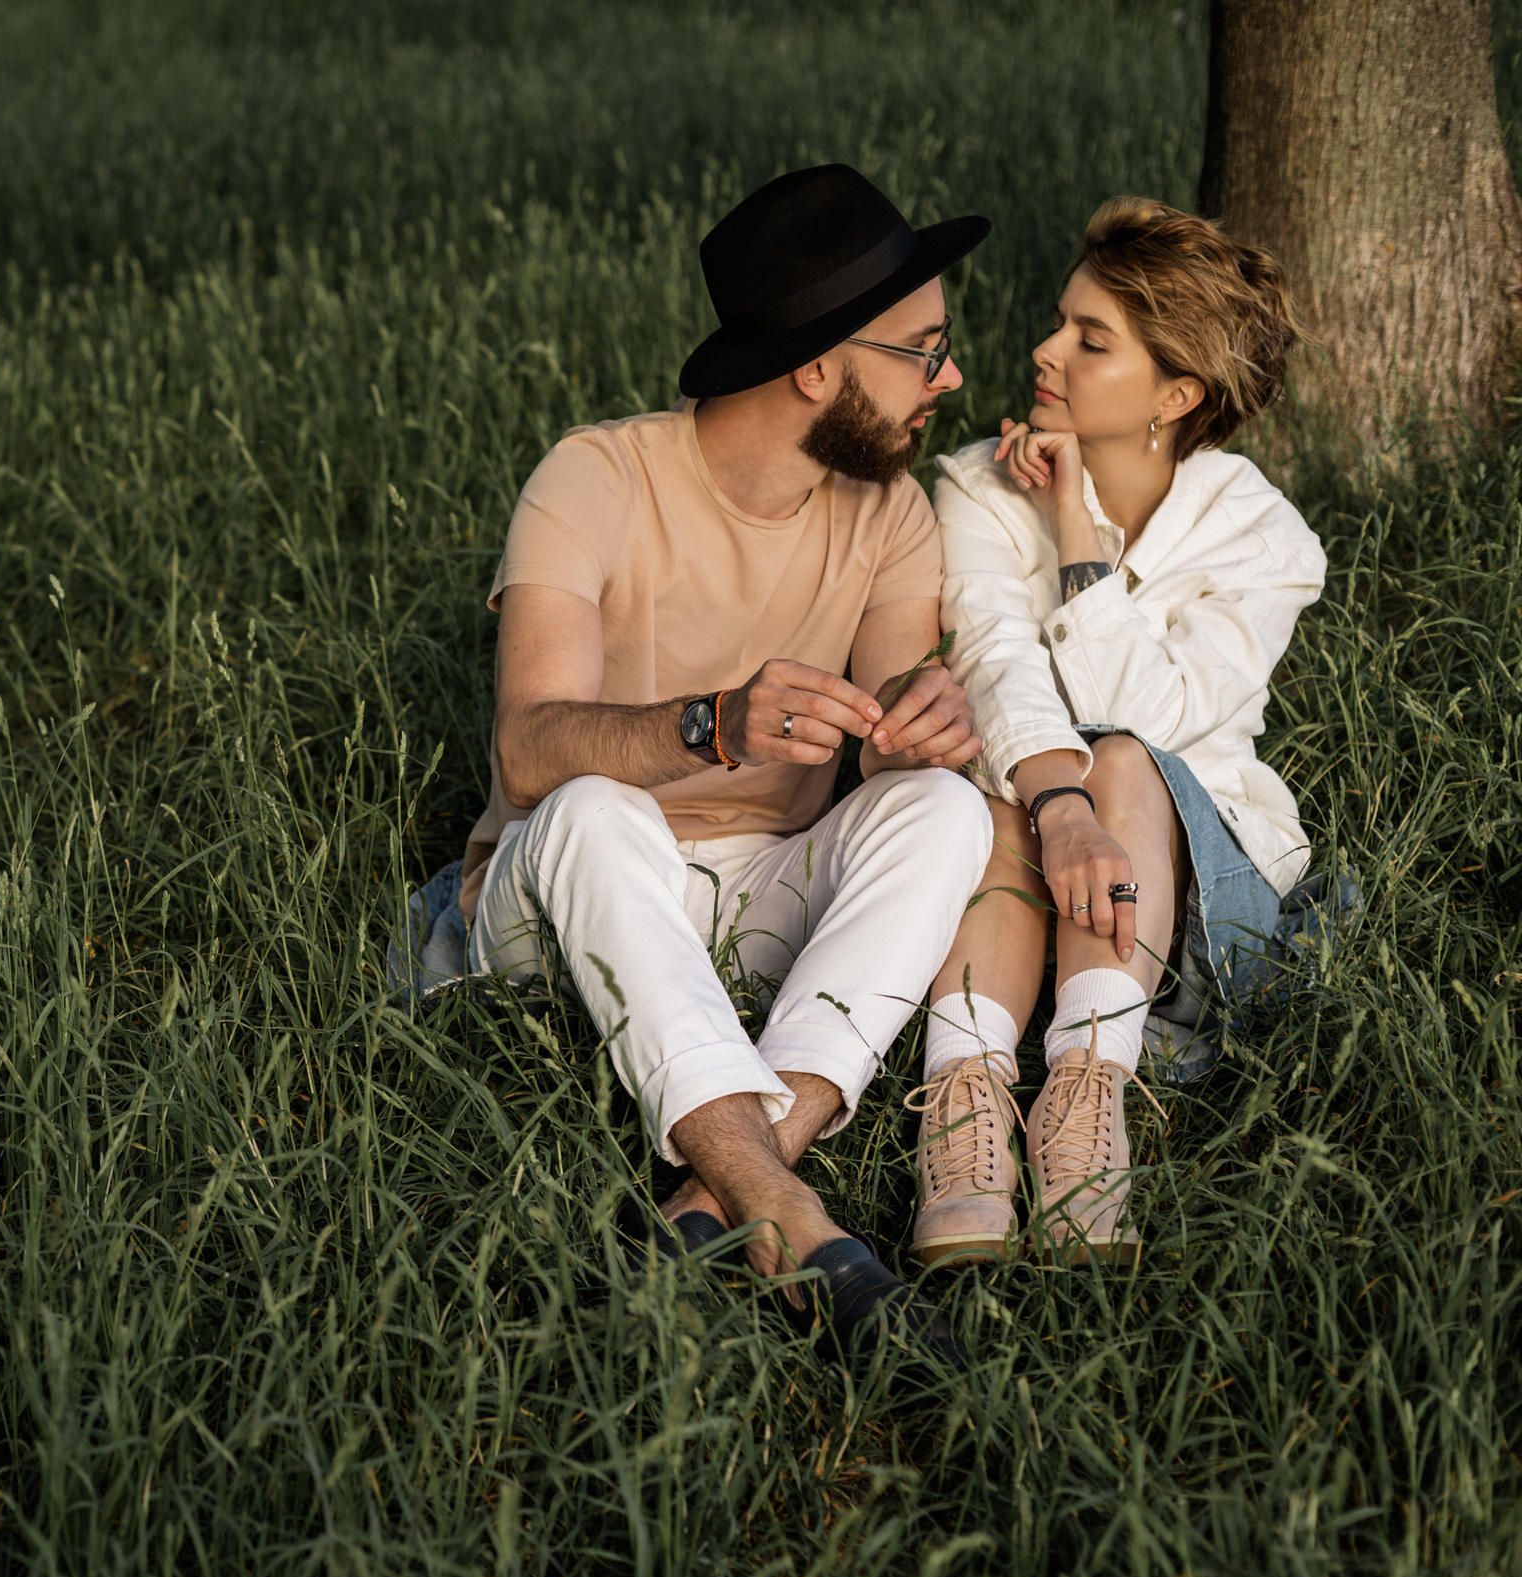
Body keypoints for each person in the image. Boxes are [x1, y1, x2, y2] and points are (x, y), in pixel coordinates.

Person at [462, 164, 994, 1367]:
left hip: (762, 896)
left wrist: (924, 723)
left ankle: (717, 1198)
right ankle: (796, 1220)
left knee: (941, 812)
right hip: (567, 901)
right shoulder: (594, 477)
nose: (951, 377)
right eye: (923, 350)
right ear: (816, 367)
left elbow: (897, 708)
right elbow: (526, 745)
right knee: (597, 806)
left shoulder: (888, 508)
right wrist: (710, 725)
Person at [903, 198, 1320, 1270]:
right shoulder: (973, 489)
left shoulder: (1264, 538)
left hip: (1178, 891)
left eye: (1091, 341)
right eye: (1060, 322)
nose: (1045, 351)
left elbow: (1155, 714)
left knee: (1125, 756)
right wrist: (1057, 799)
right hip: (1025, 850)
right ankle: (964, 1108)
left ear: (1175, 395)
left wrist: (1076, 534)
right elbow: (991, 664)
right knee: (990, 771)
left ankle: (1088, 1099)